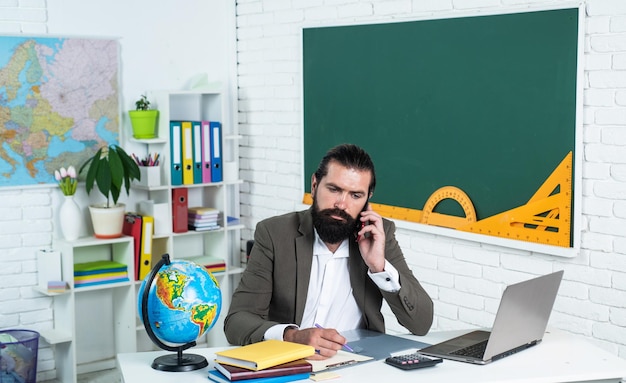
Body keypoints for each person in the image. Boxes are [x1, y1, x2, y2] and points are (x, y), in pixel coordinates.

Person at [224, 144, 433, 359]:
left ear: (367, 199)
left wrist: (379, 267)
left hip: (358, 365)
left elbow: (421, 324)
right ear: (314, 185)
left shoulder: (380, 235)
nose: (342, 204)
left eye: (355, 195)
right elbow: (237, 321)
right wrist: (292, 337)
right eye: (334, 189)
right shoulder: (274, 234)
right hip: (291, 362)